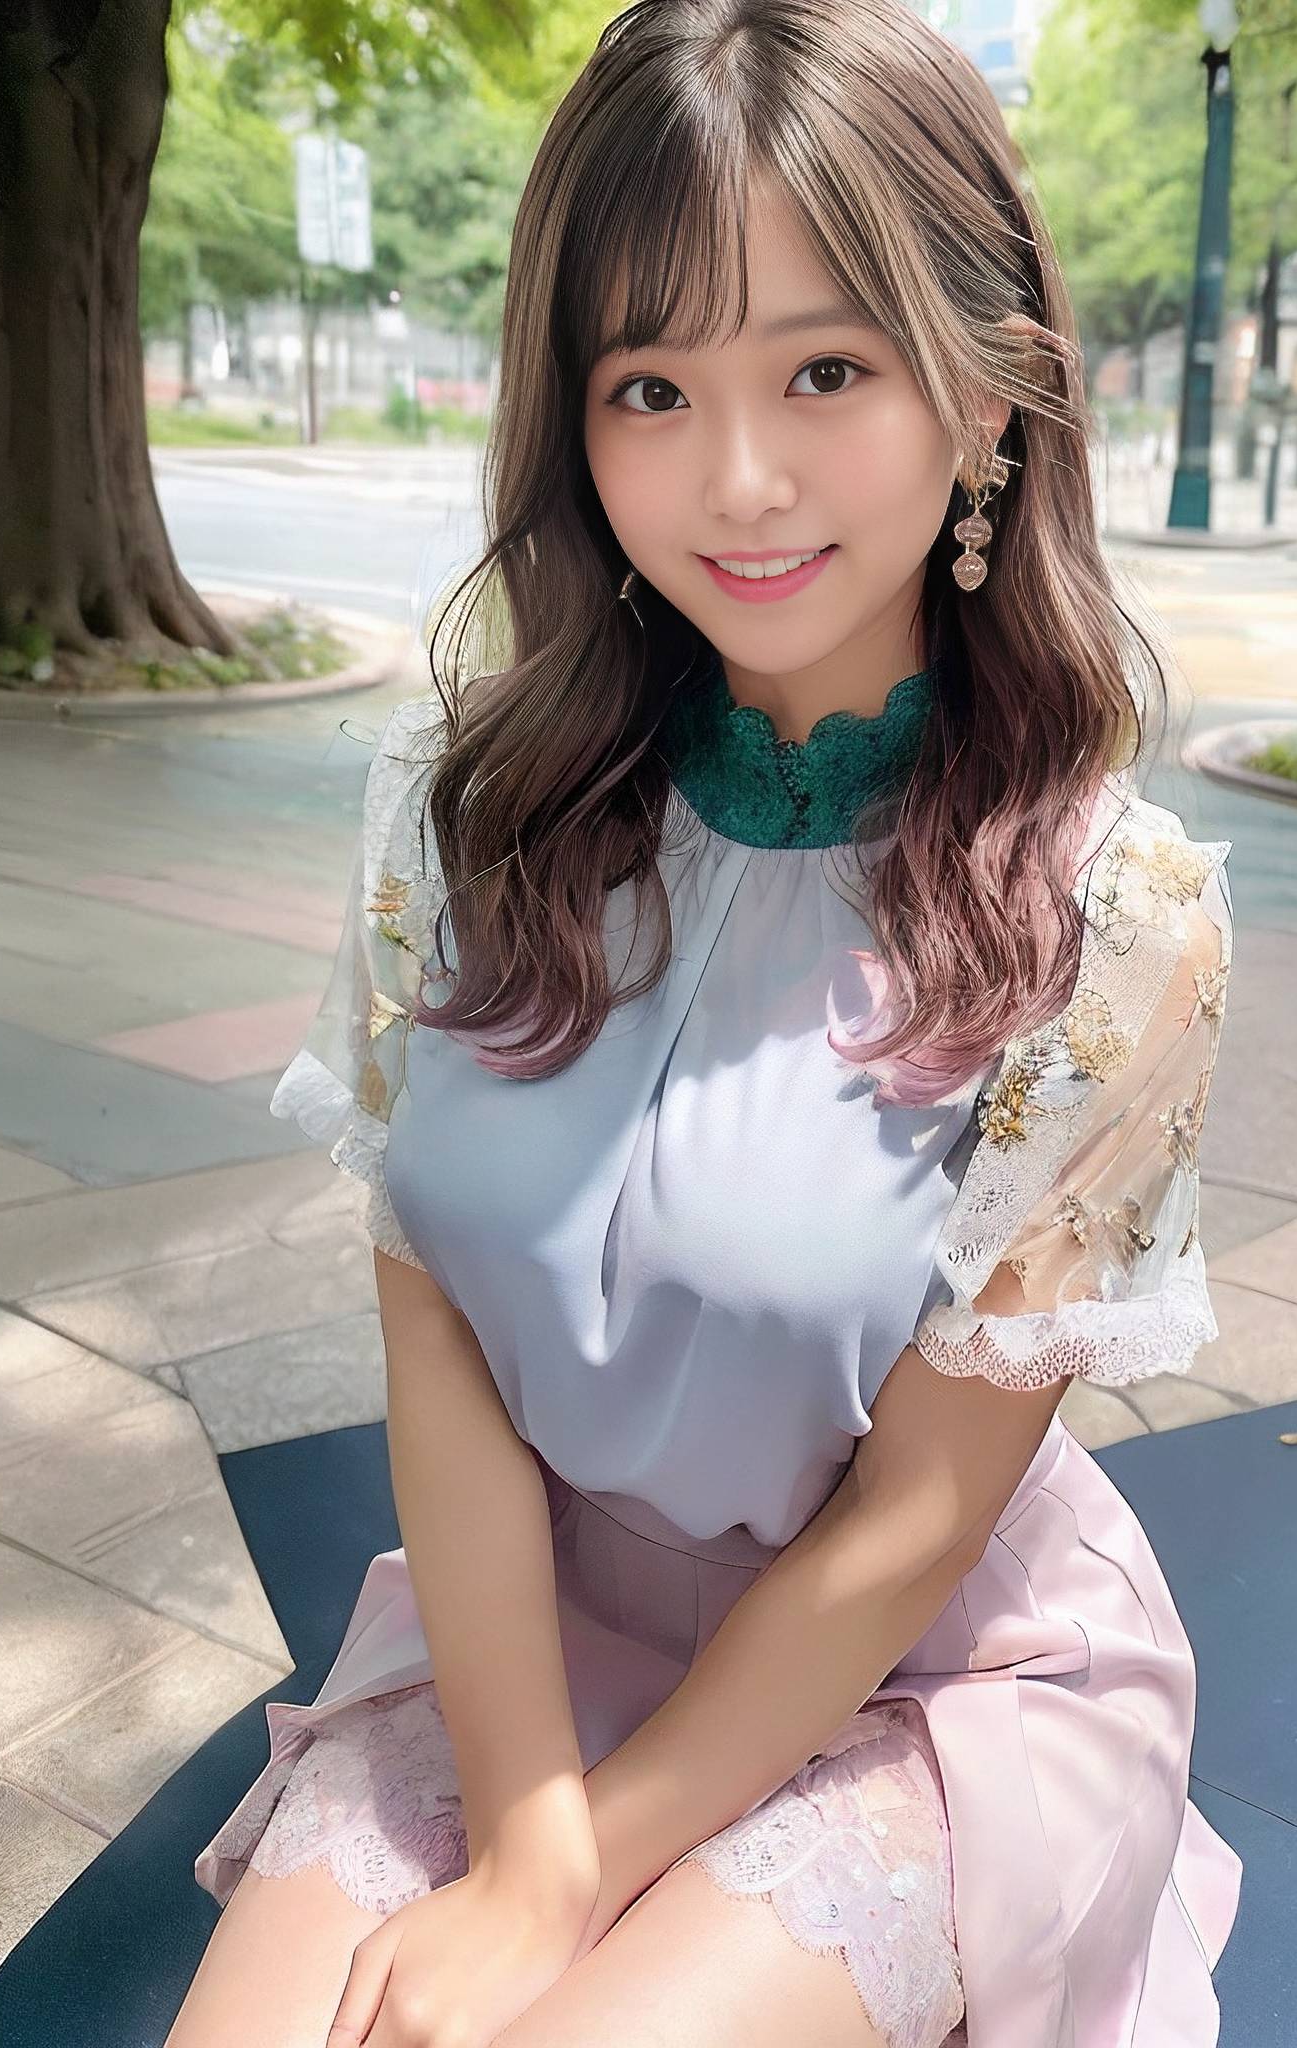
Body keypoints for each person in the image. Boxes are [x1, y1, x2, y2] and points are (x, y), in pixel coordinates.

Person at [171, 2, 1242, 2042]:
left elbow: (920, 1516)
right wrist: (530, 1831)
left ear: (990, 382)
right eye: (648, 385)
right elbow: (440, 1334)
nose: (735, 479)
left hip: (922, 1681)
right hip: (525, 1649)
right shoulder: (465, 812)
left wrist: (574, 1872)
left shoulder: (1114, 919)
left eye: (823, 369)